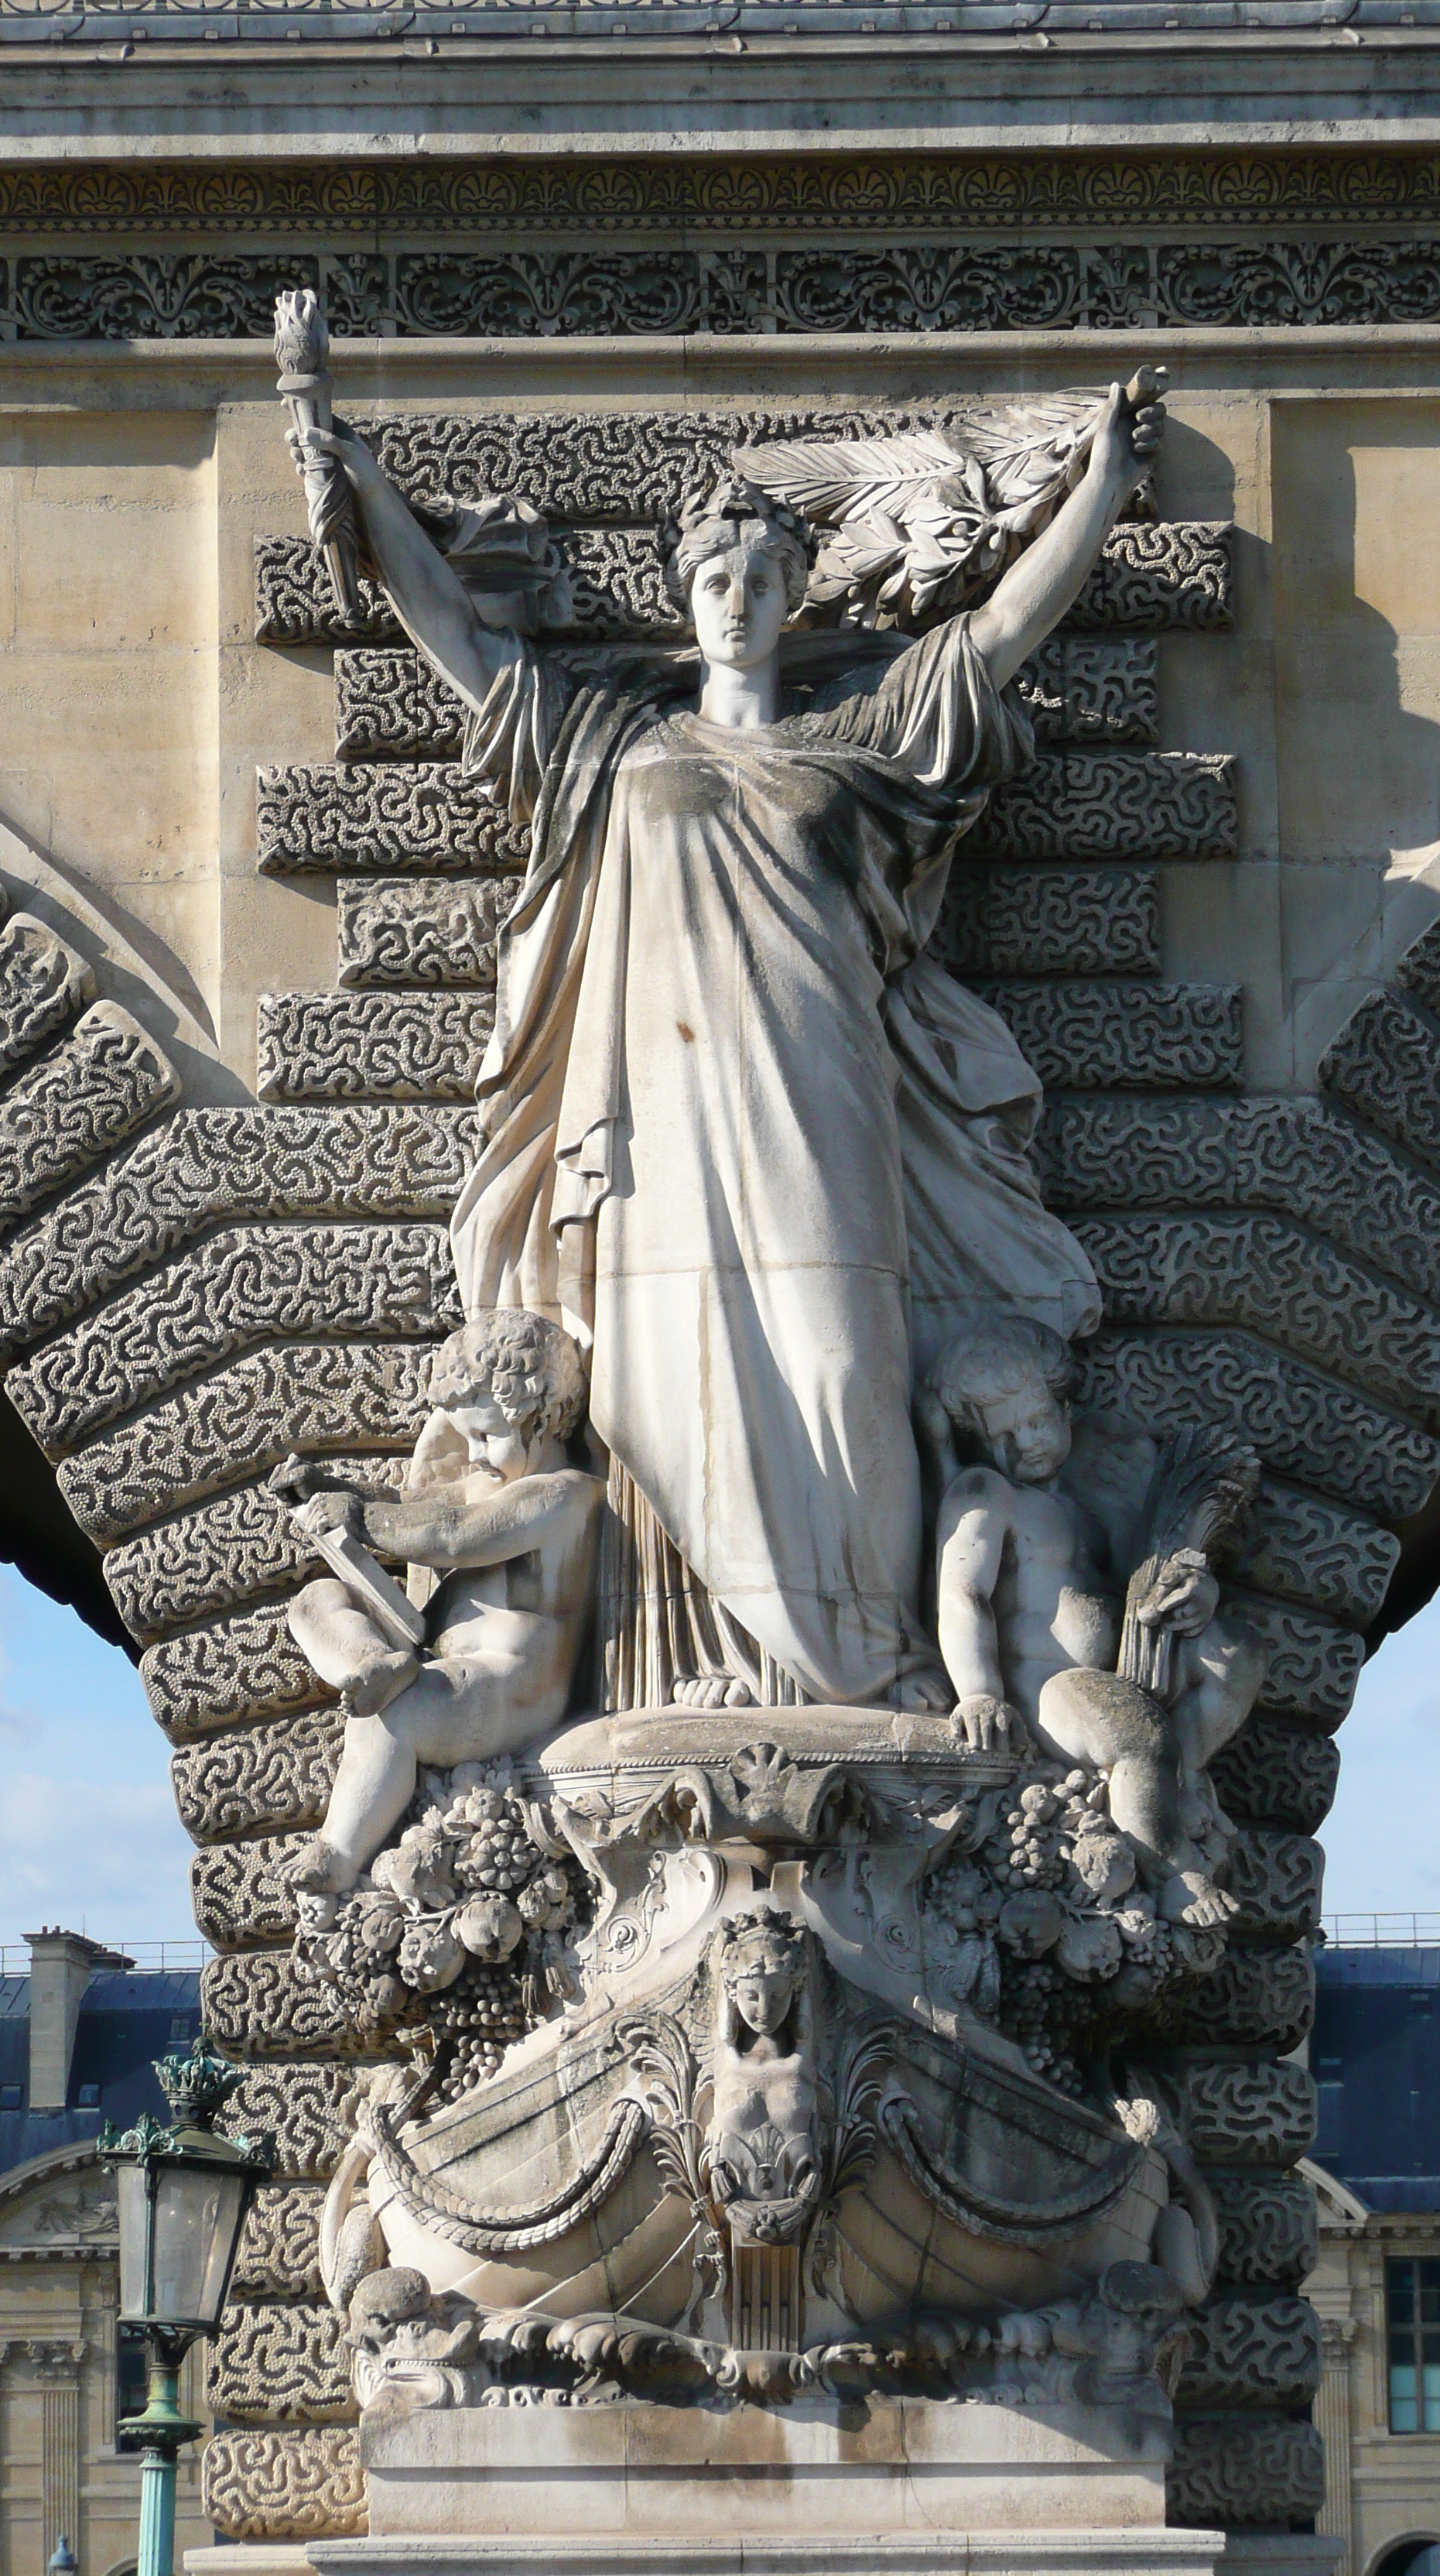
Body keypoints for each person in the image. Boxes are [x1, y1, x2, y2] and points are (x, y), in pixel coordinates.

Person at [286, 385, 1161, 1714]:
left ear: (796, 590)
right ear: (683, 597)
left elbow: (992, 639)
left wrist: (1098, 484)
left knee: (845, 1368)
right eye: (711, 577)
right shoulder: (611, 743)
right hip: (654, 1123)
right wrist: (361, 488)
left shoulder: (858, 746)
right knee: (658, 1387)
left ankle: (868, 1669)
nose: (736, 599)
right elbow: (459, 636)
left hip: (825, 1107)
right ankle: (672, 1686)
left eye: (760, 575)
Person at [923, 1310, 1263, 1927]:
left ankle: (1174, 1785)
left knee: (1232, 1652)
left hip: (1125, 1670)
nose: (1024, 1443)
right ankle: (1172, 1869)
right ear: (977, 1439)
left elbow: (1145, 1577)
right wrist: (979, 1694)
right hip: (1050, 1690)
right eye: (1004, 1433)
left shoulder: (1089, 1501)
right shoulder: (985, 1491)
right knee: (1134, 1735)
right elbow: (962, 1594)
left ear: (1066, 1412)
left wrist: (1197, 1597)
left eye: (1036, 1422)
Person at [279, 1309, 604, 1893]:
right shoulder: (487, 1480)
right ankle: (371, 1665)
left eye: (487, 1436)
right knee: (313, 1601)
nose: (475, 1454)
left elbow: (457, 1534)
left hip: (512, 1684)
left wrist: (363, 1518)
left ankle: (337, 1853)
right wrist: (336, 1491)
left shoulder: (563, 1496)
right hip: (437, 1661)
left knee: (394, 1718)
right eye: (466, 1437)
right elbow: (418, 1505)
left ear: (543, 1416)